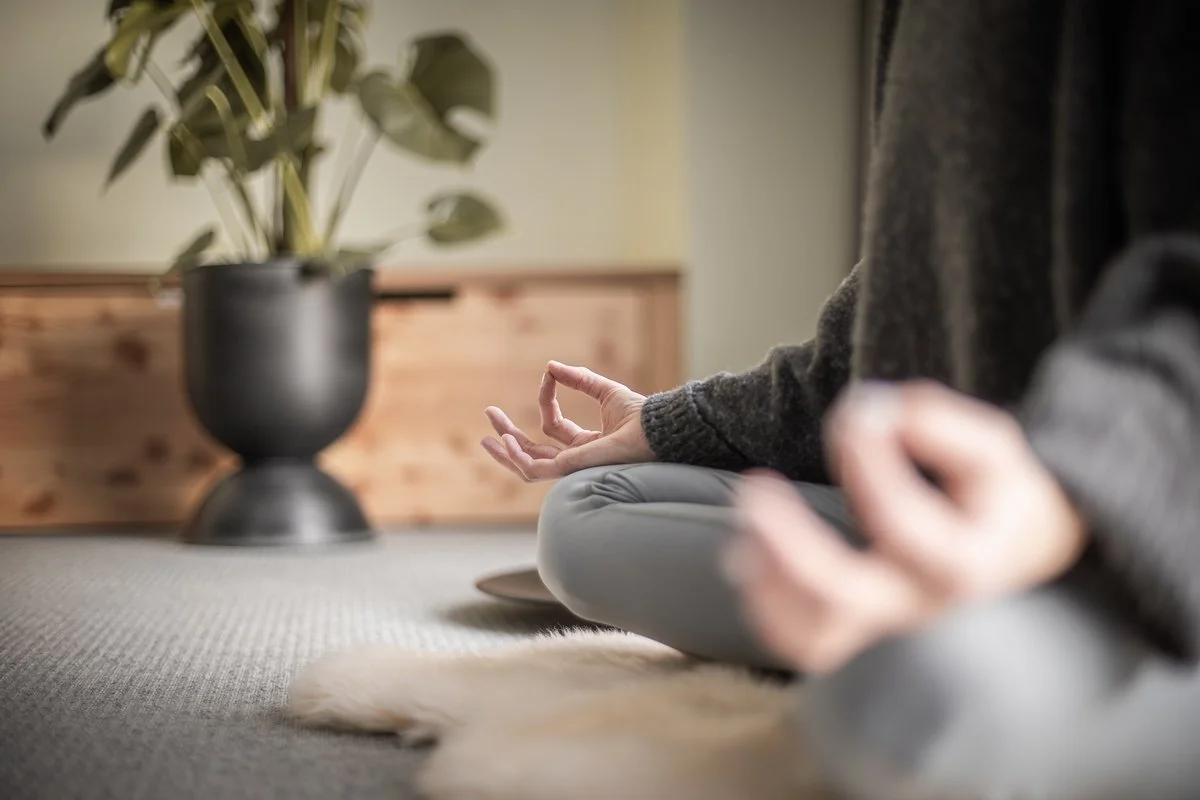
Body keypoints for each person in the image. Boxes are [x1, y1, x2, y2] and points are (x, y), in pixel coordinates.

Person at [482, 1, 1200, 797]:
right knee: (583, 517)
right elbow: (868, 339)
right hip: (934, 520)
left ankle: (925, 644)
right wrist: (661, 422)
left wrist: (1062, 489)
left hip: (1147, 549)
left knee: (906, 706)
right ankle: (896, 621)